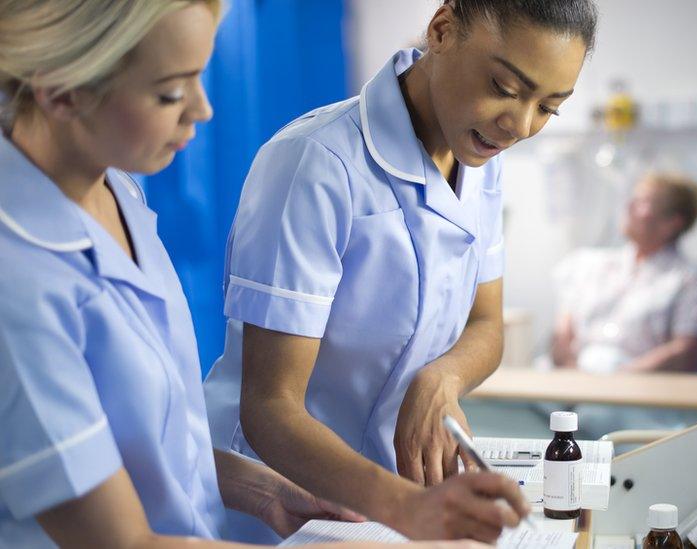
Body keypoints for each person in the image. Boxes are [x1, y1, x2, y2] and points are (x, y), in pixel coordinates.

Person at [0, 2, 481, 548]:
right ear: (61, 91)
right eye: (170, 92)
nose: (201, 110)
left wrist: (261, 490)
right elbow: (120, 542)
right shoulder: (17, 282)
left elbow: (138, 442)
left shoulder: (116, 192)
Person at [203, 0, 598, 542]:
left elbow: (487, 326)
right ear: (441, 29)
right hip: (275, 499)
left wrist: (442, 378)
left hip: (382, 504)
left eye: (548, 107)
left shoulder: (480, 157)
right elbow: (271, 408)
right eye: (504, 87)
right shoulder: (315, 162)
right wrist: (408, 507)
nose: (519, 125)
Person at [550, 171, 697, 374]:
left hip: (635, 389)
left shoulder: (691, 282)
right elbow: (562, 333)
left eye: (643, 202)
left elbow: (687, 351)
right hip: (571, 381)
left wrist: (620, 381)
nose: (628, 207)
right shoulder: (591, 266)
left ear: (672, 223)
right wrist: (573, 375)